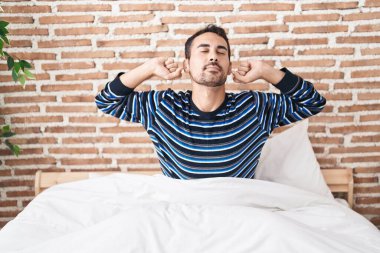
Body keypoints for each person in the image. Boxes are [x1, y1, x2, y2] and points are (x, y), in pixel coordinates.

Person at [95, 24, 326, 180]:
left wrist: (266, 71)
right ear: (186, 64)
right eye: (203, 51)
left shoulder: (255, 107)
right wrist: (148, 68)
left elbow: (312, 103)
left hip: (240, 213)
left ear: (228, 66)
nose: (213, 56)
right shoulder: (162, 106)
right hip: (181, 213)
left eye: (221, 52)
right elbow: (107, 101)